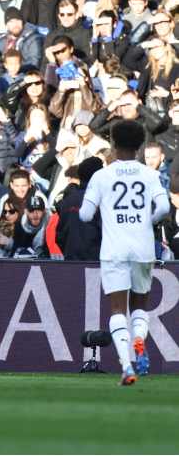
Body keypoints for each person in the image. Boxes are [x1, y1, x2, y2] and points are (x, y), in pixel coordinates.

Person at [79, 120, 170, 385]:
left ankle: (127, 365)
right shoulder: (149, 174)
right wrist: (147, 220)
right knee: (140, 305)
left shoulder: (101, 176)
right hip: (142, 247)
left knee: (118, 309)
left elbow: (84, 215)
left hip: (114, 249)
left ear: (113, 144)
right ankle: (139, 340)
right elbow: (163, 208)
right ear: (140, 145)